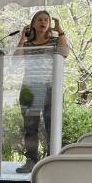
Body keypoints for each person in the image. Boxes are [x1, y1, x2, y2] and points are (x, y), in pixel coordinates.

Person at [14, 10, 69, 173]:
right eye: (39, 20)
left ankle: (52, 161)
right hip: (30, 88)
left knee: (51, 125)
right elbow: (17, 60)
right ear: (33, 24)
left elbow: (64, 53)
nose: (43, 22)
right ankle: (31, 160)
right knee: (30, 127)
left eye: (46, 20)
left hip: (50, 89)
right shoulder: (28, 44)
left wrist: (61, 31)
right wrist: (23, 39)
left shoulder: (55, 40)